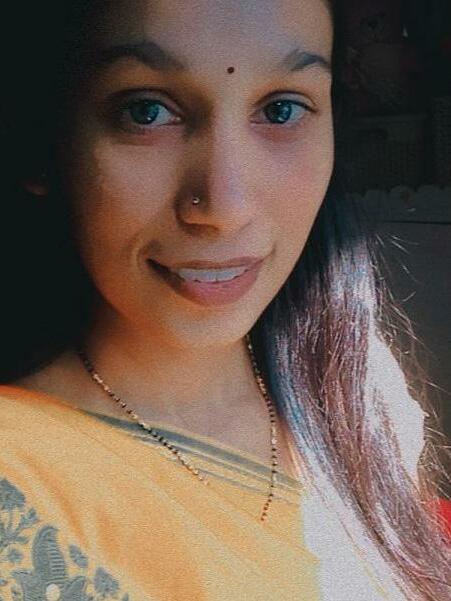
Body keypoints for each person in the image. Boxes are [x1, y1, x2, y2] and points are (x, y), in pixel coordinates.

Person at [0, 0, 449, 599]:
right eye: (146, 111)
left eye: (282, 109)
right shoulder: (19, 474)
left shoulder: (359, 391)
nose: (224, 207)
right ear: (42, 142)